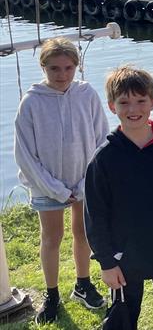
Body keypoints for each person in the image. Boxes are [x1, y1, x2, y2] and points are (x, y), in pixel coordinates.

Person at [84, 66, 153, 330]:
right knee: (123, 317)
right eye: (124, 102)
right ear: (112, 106)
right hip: (124, 257)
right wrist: (107, 262)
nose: (133, 109)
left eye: (140, 101)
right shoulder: (105, 158)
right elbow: (95, 216)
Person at [14, 37, 109, 324]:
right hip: (47, 185)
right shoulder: (31, 102)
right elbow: (25, 154)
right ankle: (52, 293)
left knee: (83, 233)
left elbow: (101, 139)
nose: (62, 74)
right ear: (43, 67)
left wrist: (83, 183)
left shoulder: (87, 94)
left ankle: (82, 283)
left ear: (76, 67)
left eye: (68, 68)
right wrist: (54, 188)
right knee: (51, 237)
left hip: (82, 180)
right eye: (54, 68)